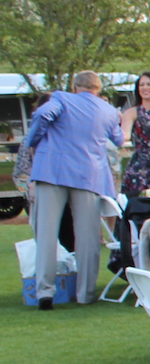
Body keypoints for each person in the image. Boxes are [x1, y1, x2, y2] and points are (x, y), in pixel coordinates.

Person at [21, 70, 121, 309]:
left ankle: (45, 293)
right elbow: (118, 139)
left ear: (75, 87)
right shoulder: (108, 110)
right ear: (98, 89)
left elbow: (42, 114)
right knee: (88, 237)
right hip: (88, 174)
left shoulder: (61, 99)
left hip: (52, 171)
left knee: (46, 233)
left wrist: (34, 140)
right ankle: (86, 293)